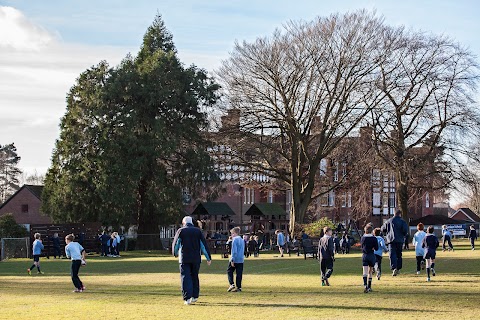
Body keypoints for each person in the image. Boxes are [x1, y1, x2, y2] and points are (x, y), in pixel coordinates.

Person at [172, 216, 212, 305]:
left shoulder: (181, 231)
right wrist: (208, 258)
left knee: (185, 277)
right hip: (196, 258)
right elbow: (203, 245)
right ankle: (195, 296)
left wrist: (175, 253)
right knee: (194, 276)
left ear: (183, 223)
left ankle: (187, 297)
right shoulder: (198, 231)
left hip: (184, 258)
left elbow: (177, 244)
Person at [381, 209, 408, 276]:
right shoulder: (402, 221)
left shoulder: (389, 221)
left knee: (392, 254)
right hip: (399, 240)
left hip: (391, 240)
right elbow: (405, 230)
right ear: (400, 214)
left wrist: (386, 234)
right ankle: (398, 268)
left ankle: (394, 268)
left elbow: (382, 229)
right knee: (399, 254)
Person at [361, 224, 378, 293]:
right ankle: (369, 286)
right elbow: (376, 248)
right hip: (371, 255)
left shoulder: (363, 238)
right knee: (370, 271)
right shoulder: (374, 238)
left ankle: (365, 285)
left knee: (364, 271)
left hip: (365, 255)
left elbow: (362, 246)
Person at [227, 227, 245, 292]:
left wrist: (232, 259)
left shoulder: (235, 240)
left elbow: (234, 251)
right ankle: (239, 287)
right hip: (241, 259)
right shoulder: (242, 240)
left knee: (229, 271)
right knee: (239, 273)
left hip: (235, 258)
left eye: (232, 233)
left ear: (235, 233)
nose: (231, 235)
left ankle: (231, 284)